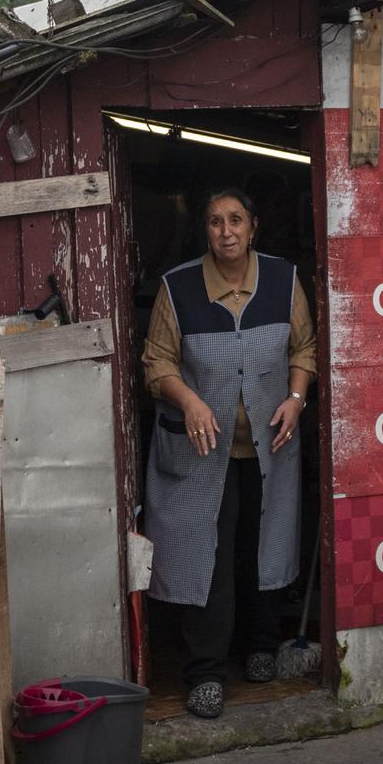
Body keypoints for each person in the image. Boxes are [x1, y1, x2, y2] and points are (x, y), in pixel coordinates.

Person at [141, 187, 316, 719]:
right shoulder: (178, 288)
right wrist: (190, 401)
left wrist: (295, 397)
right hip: (203, 453)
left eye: (236, 219)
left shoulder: (284, 281)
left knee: (261, 544)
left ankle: (261, 646)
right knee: (207, 556)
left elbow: (304, 347)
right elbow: (157, 363)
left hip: (269, 446)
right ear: (207, 231)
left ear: (253, 226)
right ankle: (205, 672)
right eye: (215, 221)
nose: (226, 231)